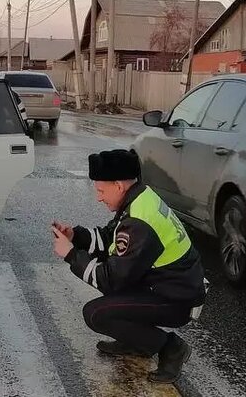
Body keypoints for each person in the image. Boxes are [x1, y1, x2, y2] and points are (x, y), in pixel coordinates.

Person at [52, 149, 206, 384]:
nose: (99, 197)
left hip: (176, 299)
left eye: (101, 191)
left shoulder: (139, 221)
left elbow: (110, 280)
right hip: (171, 287)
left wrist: (72, 255)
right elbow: (111, 238)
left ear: (119, 185)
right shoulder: (141, 198)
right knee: (113, 296)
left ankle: (171, 347)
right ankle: (136, 341)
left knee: (95, 314)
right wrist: (76, 236)